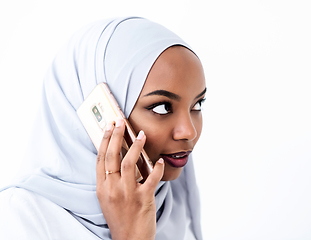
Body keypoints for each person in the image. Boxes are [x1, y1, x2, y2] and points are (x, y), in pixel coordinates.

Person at [0, 17, 206, 240]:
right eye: (163, 108)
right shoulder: (19, 219)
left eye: (197, 104)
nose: (189, 131)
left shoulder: (169, 205)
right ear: (106, 114)